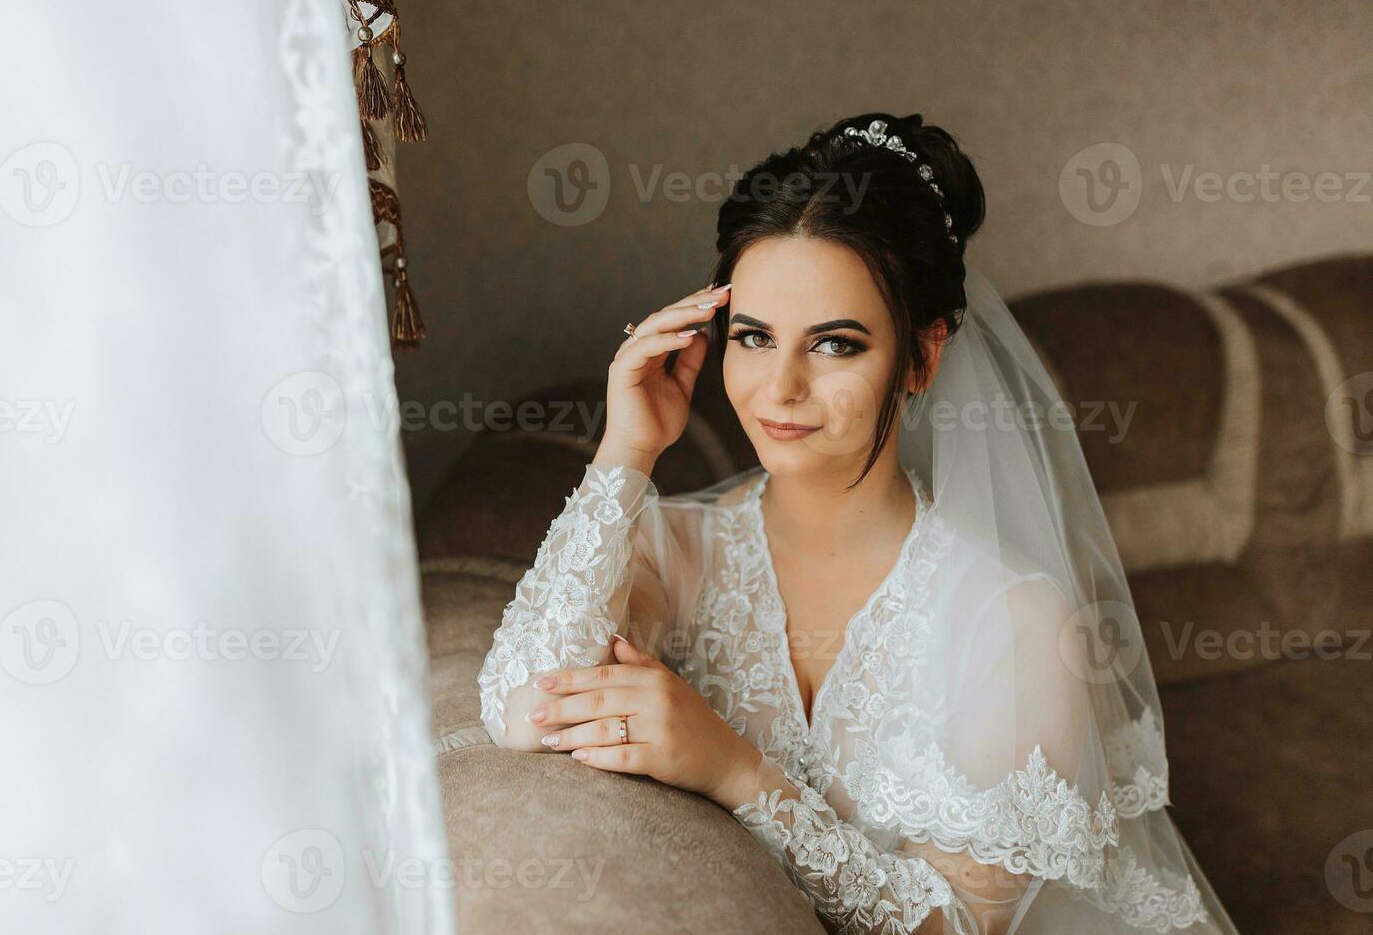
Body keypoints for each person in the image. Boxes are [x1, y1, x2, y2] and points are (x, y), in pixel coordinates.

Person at [476, 112, 1241, 934]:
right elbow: (525, 712)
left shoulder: (1018, 621)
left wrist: (736, 771)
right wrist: (624, 452)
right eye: (755, 337)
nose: (780, 389)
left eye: (835, 345)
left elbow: (965, 927)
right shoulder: (671, 548)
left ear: (922, 356)